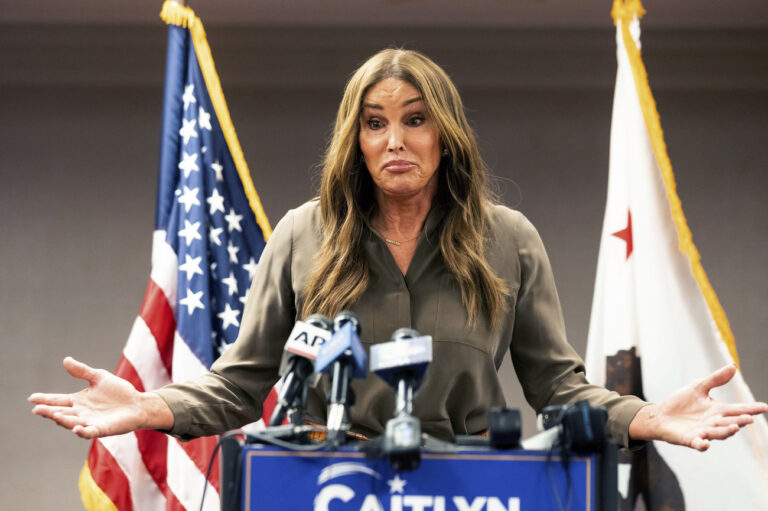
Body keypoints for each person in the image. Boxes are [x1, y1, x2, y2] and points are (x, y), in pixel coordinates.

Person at [30, 49, 766, 451]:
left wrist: (647, 415)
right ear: (355, 137)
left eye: (415, 120)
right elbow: (238, 384)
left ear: (444, 132)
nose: (395, 140)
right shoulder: (301, 236)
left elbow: (560, 391)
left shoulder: (509, 241)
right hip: (329, 488)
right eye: (375, 122)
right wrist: (149, 404)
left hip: (473, 494)